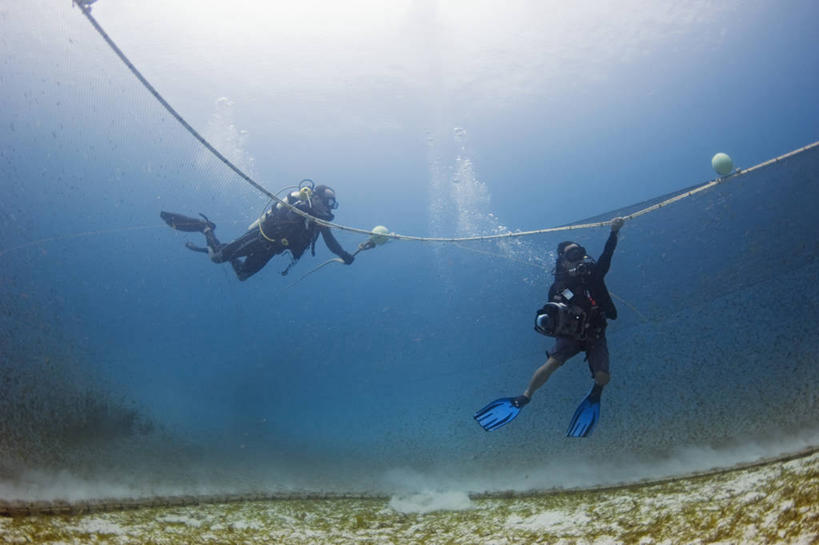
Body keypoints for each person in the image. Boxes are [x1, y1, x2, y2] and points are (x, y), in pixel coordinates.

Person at [474, 217, 625, 436]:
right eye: (571, 254)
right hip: (571, 336)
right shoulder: (560, 284)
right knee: (552, 363)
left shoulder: (594, 274)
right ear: (563, 261)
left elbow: (607, 255)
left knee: (603, 376)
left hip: (596, 333)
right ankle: (525, 396)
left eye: (580, 252)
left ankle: (595, 393)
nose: (578, 258)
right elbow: (551, 312)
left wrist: (614, 232)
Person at [160, 183, 355, 281]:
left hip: (269, 251)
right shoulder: (299, 206)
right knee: (217, 258)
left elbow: (330, 242)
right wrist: (303, 212)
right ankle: (206, 227)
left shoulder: (318, 222)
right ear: (316, 198)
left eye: (333, 204)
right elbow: (285, 218)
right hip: (259, 238)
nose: (330, 208)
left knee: (243, 275)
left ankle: (223, 249)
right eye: (328, 202)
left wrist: (345, 255)